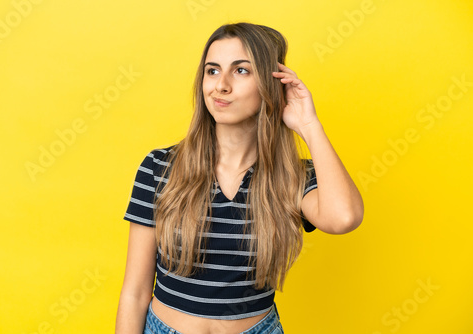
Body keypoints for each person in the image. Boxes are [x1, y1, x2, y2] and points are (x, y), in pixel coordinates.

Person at [115, 22, 364, 334]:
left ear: (272, 84)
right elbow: (135, 293)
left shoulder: (294, 177)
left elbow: (344, 218)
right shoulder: (159, 167)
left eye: (241, 71)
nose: (221, 85)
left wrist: (309, 124)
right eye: (212, 70)